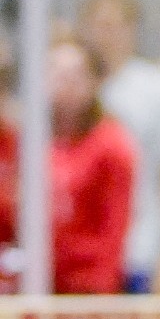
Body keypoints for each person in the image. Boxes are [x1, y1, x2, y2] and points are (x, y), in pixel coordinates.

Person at [76, 0, 160, 293]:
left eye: (113, 26)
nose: (104, 37)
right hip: (77, 258)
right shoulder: (69, 89)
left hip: (137, 252)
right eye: (97, 26)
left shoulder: (159, 90)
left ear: (132, 30)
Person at [0, 39, 135, 294]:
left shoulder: (111, 145)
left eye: (75, 75)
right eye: (57, 74)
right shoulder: (28, 141)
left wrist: (100, 291)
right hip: (35, 280)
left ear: (94, 81)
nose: (66, 84)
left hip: (87, 284)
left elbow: (114, 229)